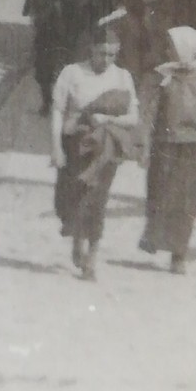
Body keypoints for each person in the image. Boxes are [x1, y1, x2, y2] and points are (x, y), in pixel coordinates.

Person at [50, 26, 141, 280]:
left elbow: (133, 118)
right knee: (70, 198)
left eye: (112, 54)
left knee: (97, 201)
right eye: (102, 53)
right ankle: (77, 239)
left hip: (106, 148)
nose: (107, 60)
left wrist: (106, 119)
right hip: (75, 144)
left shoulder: (123, 77)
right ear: (91, 49)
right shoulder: (72, 73)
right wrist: (56, 148)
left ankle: (92, 257)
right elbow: (58, 111)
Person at [138, 25, 196, 274]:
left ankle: (179, 254)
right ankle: (155, 238)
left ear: (185, 49)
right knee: (158, 194)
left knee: (186, 202)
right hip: (164, 146)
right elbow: (151, 112)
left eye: (171, 47)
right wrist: (144, 143)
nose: (167, 50)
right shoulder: (164, 76)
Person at [24, 0, 72, 116]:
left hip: (53, 43)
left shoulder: (60, 4)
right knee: (48, 74)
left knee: (47, 74)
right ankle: (49, 102)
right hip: (51, 42)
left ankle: (50, 103)